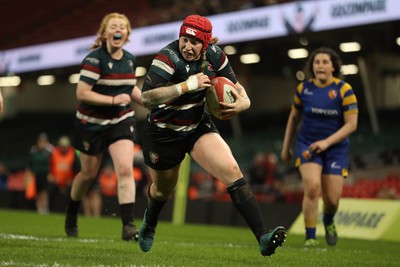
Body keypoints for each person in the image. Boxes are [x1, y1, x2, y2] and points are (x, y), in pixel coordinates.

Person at [138, 14, 286, 256]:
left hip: (197, 126)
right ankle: (151, 221)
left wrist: (244, 103)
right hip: (164, 133)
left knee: (233, 172)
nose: (187, 46)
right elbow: (146, 98)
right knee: (163, 190)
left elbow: (235, 87)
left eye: (194, 42)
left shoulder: (216, 55)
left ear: (205, 44)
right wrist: (187, 85)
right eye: (184, 39)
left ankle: (263, 236)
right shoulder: (167, 58)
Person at [64, 12, 143, 241]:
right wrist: (112, 100)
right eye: (113, 26)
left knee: (126, 170)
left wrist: (150, 103)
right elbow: (82, 93)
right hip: (91, 124)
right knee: (88, 174)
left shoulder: (130, 59)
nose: (118, 29)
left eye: (122, 26)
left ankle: (128, 226)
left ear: (127, 34)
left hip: (121, 120)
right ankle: (72, 211)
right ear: (105, 32)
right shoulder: (94, 60)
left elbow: (130, 89)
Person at [280, 47, 358, 246]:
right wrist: (286, 146)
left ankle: (329, 220)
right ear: (312, 67)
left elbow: (352, 124)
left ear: (333, 67)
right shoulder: (303, 89)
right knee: (313, 188)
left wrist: (327, 142)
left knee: (332, 200)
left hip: (336, 148)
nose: (320, 66)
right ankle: (310, 238)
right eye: (317, 62)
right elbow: (294, 118)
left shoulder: (344, 90)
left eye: (325, 62)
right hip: (308, 145)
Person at [26, 132, 53, 214]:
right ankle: (39, 209)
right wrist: (28, 175)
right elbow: (29, 165)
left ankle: (45, 209)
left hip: (45, 175)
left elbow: (52, 165)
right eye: (40, 141)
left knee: (44, 193)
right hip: (35, 175)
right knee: (37, 193)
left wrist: (51, 174)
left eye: (44, 141)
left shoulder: (49, 152)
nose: (42, 143)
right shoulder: (33, 152)